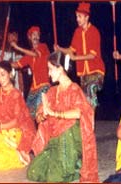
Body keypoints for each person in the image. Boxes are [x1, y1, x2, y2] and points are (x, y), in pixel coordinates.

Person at [27, 51, 99, 182]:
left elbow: (78, 112)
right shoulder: (52, 90)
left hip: (70, 136)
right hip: (55, 138)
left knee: (55, 177)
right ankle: (73, 168)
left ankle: (74, 164)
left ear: (60, 68)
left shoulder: (74, 88)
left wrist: (55, 114)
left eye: (50, 69)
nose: (48, 74)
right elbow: (41, 113)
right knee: (34, 172)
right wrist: (41, 116)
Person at [56, 2, 105, 110]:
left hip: (96, 71)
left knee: (90, 90)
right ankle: (88, 122)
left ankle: (90, 123)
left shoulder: (94, 31)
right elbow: (71, 50)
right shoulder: (77, 32)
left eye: (80, 17)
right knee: (85, 100)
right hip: (83, 74)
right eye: (76, 16)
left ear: (87, 17)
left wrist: (75, 58)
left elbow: (92, 55)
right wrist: (60, 49)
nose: (77, 19)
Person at [10, 26, 50, 120]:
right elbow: (17, 64)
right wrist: (2, 63)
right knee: (27, 114)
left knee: (40, 113)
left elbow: (36, 55)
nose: (36, 37)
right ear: (29, 37)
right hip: (34, 88)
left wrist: (16, 47)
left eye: (38, 35)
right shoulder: (29, 54)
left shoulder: (43, 47)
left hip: (44, 85)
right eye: (34, 35)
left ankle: (43, 134)